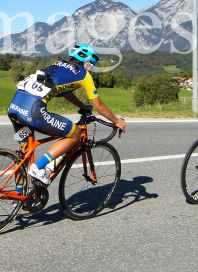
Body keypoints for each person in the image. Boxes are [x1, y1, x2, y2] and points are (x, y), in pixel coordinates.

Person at [7, 44, 126, 185]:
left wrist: (82, 106)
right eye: (92, 66)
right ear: (87, 63)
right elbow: (99, 106)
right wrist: (117, 121)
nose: (92, 70)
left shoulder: (59, 65)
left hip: (15, 110)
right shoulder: (83, 74)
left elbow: (65, 92)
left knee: (24, 153)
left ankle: (18, 197)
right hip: (33, 112)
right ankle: (38, 168)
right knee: (75, 133)